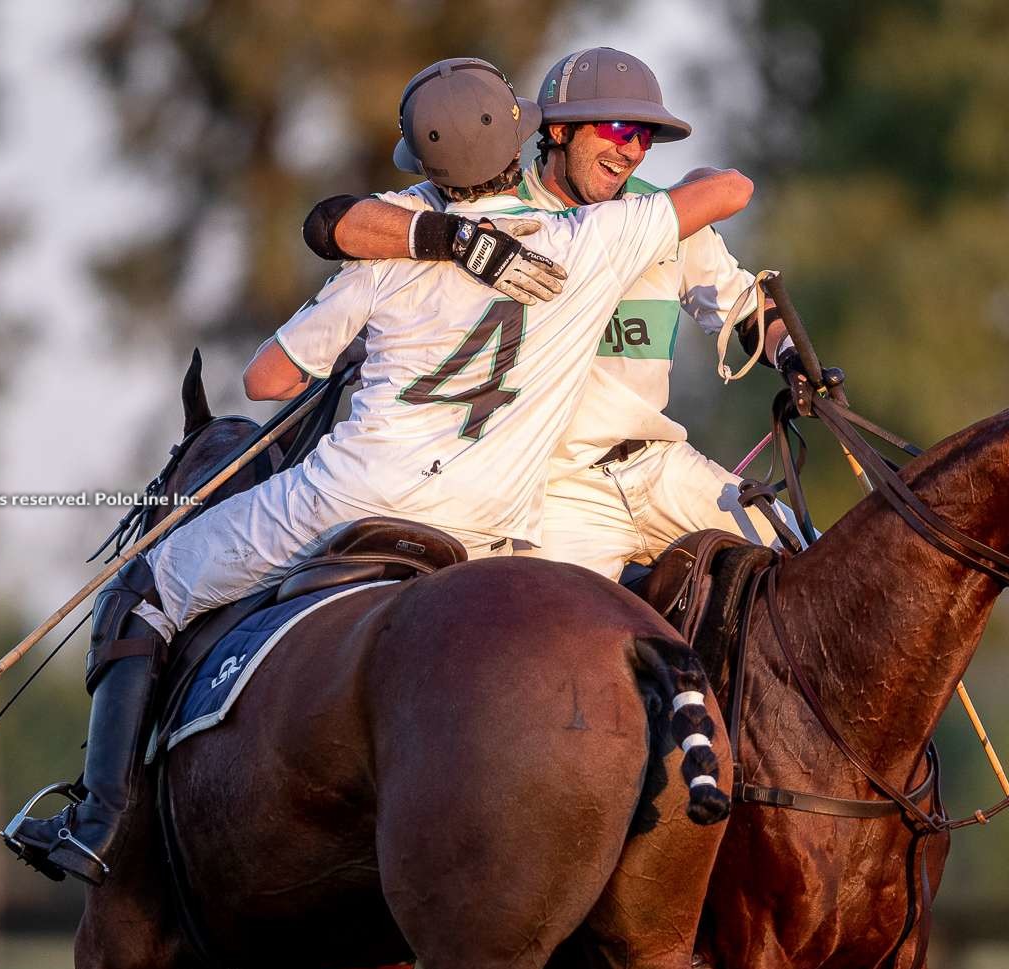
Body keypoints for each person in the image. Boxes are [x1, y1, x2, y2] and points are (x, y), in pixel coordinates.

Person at [5, 55, 755, 886]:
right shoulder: (592, 240)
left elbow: (266, 382)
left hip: (347, 496)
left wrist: (403, 284)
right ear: (524, 136)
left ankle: (100, 819)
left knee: (147, 585)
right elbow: (728, 191)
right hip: (489, 527)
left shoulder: (393, 238)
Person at [302, 46, 802, 582]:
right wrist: (449, 238)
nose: (631, 149)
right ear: (559, 131)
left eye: (645, 134)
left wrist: (796, 359)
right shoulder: (478, 202)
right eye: (615, 126)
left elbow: (747, 312)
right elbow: (335, 224)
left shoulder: (665, 214)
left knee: (812, 563)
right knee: (552, 645)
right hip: (553, 491)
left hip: (660, 465)